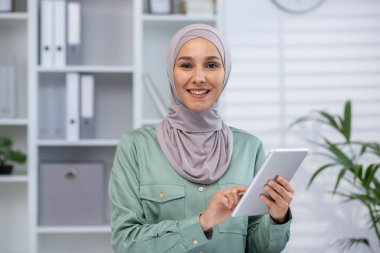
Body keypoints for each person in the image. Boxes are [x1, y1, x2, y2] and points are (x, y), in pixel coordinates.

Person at [108, 24, 293, 253]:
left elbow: (258, 248)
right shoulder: (135, 147)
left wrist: (278, 217)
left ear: (226, 73)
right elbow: (125, 243)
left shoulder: (250, 148)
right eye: (186, 65)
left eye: (212, 65)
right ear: (170, 71)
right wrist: (202, 223)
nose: (199, 77)